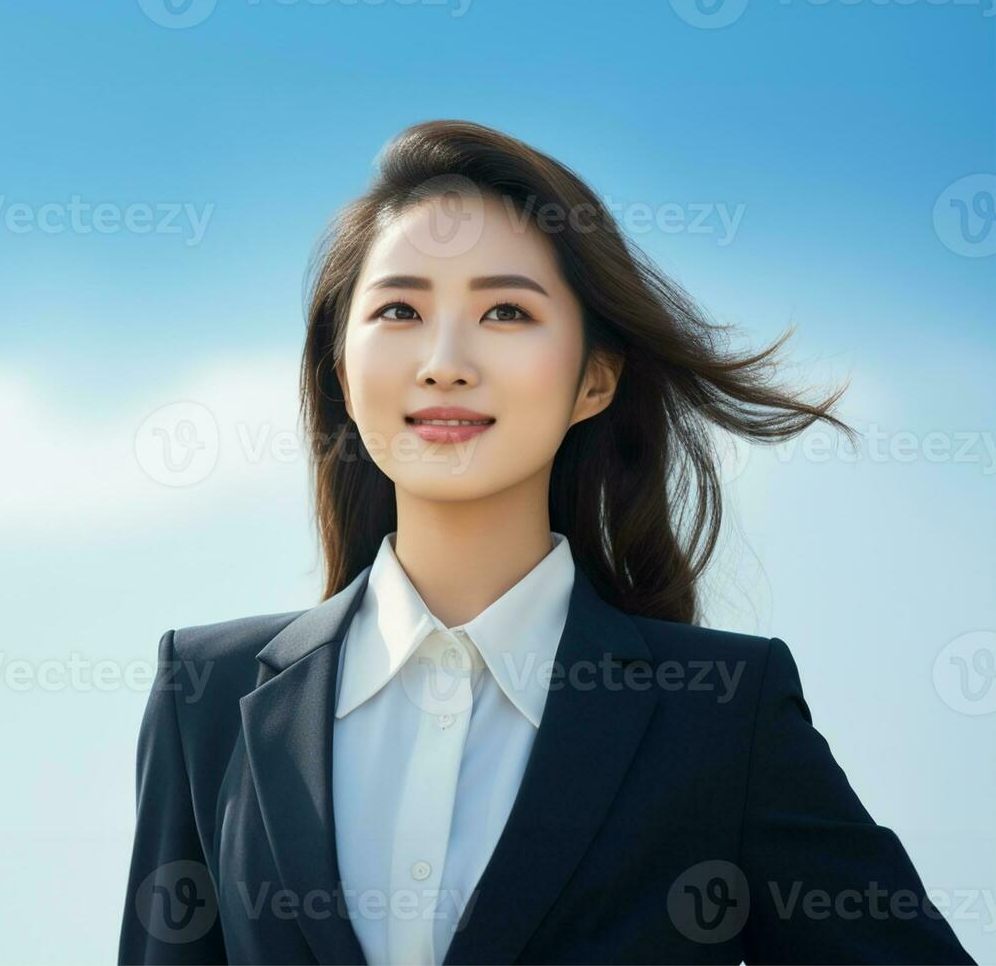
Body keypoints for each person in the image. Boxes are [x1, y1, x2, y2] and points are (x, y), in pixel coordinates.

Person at [117, 120, 975, 965]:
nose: (444, 361)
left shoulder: (721, 714)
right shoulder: (208, 695)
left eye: (503, 311)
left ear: (593, 379)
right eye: (399, 310)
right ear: (342, 371)